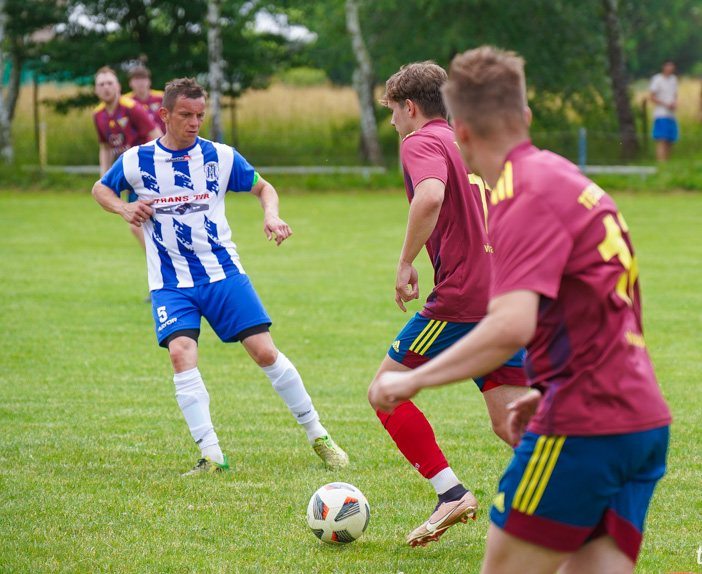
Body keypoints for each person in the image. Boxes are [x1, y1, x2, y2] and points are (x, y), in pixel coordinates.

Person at [369, 46, 672, 574]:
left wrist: (412, 382)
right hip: (640, 418)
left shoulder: (520, 197)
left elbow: (510, 325)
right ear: (527, 118)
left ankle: (449, 493)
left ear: (458, 131)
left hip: (583, 424)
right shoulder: (570, 179)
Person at [91, 78, 349, 475]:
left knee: (264, 351)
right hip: (170, 281)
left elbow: (264, 188)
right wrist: (124, 210)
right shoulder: (135, 161)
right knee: (181, 353)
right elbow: (100, 190)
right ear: (164, 115)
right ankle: (211, 455)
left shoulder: (221, 157)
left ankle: (319, 435)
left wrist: (272, 213)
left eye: (200, 115)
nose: (195, 123)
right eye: (185, 115)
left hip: (222, 272)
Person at [368, 61, 531, 547]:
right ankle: (582, 494)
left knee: (385, 392)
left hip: (462, 299)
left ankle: (450, 492)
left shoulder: (420, 142)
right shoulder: (468, 140)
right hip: (505, 290)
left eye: (393, 111)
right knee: (511, 422)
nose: (393, 121)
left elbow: (430, 197)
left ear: (410, 107)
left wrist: (405, 261)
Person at [93, 65, 163, 300]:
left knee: (137, 225)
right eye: (101, 84)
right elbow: (105, 147)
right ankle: (164, 277)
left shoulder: (132, 109)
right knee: (144, 226)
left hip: (146, 175)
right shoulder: (98, 115)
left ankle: (163, 276)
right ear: (96, 89)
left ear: (118, 87)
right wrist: (105, 179)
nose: (105, 88)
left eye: (109, 83)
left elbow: (156, 136)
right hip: (128, 177)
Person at [649, 60, 678, 162]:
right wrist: (666, 104)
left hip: (671, 114)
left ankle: (667, 159)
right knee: (662, 139)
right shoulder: (657, 79)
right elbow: (652, 97)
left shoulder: (674, 79)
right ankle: (660, 161)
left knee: (670, 139)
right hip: (661, 113)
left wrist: (674, 103)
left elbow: (674, 95)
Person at [125, 64, 167, 134]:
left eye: (143, 79)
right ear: (130, 83)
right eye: (136, 79)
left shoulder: (162, 97)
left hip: (161, 140)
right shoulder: (126, 101)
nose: (140, 83)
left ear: (149, 81)